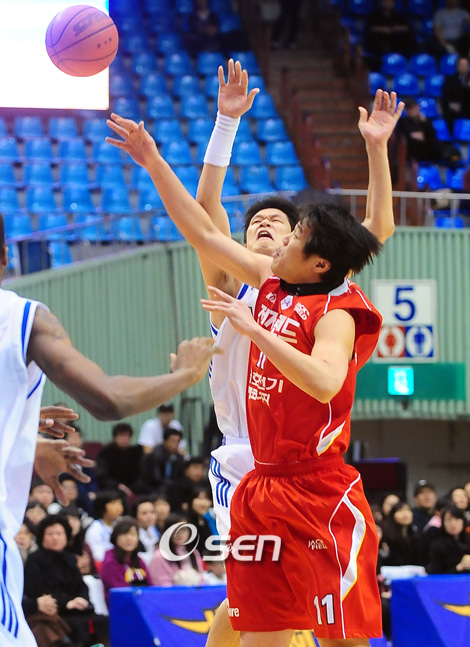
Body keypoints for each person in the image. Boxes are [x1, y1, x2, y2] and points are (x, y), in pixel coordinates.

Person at [106, 61, 403, 647]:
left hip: (310, 474)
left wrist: (376, 150)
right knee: (254, 607)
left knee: (303, 619)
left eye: (284, 226)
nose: (269, 227)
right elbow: (203, 221)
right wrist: (168, 154)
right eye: (258, 223)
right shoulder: (246, 282)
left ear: (309, 253)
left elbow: (375, 227)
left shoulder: (332, 303)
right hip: (248, 463)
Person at [0, 208, 218, 647]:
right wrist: (185, 375)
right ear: (6, 255)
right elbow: (108, 400)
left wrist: (21, 435)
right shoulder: (19, 318)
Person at [23, 514, 108, 647]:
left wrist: (81, 599)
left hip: (75, 609)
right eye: (50, 534)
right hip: (54, 611)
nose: (55, 538)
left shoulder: (70, 558)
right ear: (42, 537)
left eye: (59, 533)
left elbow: (81, 586)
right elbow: (36, 591)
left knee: (104, 622)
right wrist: (67, 604)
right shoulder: (34, 560)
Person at [100, 517, 150, 606]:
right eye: (124, 534)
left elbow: (151, 586)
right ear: (115, 537)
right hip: (121, 606)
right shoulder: (110, 562)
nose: (128, 538)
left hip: (144, 603)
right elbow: (120, 592)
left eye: (133, 534)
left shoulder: (139, 561)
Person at [399, 99, 461, 167]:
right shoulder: (403, 122)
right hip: (416, 150)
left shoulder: (426, 121)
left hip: (430, 148)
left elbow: (432, 135)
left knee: (454, 153)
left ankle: (451, 159)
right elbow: (404, 135)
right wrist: (414, 135)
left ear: (418, 107)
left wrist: (424, 123)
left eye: (413, 108)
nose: (411, 111)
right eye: (408, 109)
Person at [149, 514, 205, 587]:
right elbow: (163, 588)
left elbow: (202, 581)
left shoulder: (194, 553)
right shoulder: (159, 556)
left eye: (184, 529)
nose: (179, 533)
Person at [95, 422, 143, 502]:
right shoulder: (105, 453)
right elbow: (102, 476)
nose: (125, 439)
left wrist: (132, 488)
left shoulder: (136, 453)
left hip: (133, 488)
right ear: (115, 437)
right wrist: (118, 485)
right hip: (112, 488)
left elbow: (142, 475)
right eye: (121, 435)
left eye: (127, 436)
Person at [364, 0, 416, 70]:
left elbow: (407, 27)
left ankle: (407, 64)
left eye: (390, 1)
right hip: (379, 43)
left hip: (395, 42)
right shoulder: (374, 15)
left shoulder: (398, 16)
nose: (387, 3)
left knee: (408, 38)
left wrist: (396, 28)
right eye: (385, 1)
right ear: (381, 2)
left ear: (393, 3)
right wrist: (383, 30)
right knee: (373, 39)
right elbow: (369, 28)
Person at [139, 428, 186, 493]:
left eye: (178, 441)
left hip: (171, 490)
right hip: (152, 489)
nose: (175, 445)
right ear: (165, 441)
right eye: (172, 441)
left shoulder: (179, 458)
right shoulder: (154, 456)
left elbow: (180, 478)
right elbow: (156, 478)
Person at [84, 491, 124, 568]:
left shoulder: (119, 525)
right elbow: (97, 558)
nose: (119, 507)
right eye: (113, 503)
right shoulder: (95, 530)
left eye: (120, 503)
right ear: (102, 506)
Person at [426, 505, 470, 574]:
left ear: (463, 521)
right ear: (443, 523)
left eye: (457, 519)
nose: (453, 523)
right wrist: (458, 568)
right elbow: (435, 574)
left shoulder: (468, 540)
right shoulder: (437, 546)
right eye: (449, 520)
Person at [381, 501, 423, 566]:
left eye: (408, 510)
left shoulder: (415, 535)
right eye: (400, 510)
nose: (405, 513)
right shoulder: (386, 536)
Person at [442, 56, 470, 134]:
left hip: (467, 106)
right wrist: (451, 105)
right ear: (457, 66)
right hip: (454, 108)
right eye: (462, 65)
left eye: (465, 65)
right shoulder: (450, 79)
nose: (464, 67)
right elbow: (446, 95)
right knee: (450, 115)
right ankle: (453, 136)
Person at [131, 496, 160, 563]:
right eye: (144, 513)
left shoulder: (158, 529)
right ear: (135, 515)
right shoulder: (132, 534)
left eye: (152, 512)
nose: (149, 516)